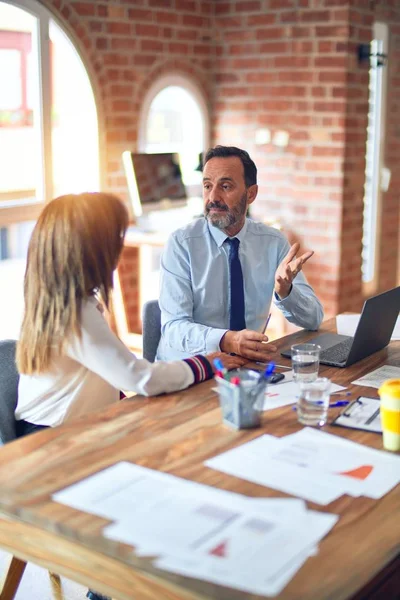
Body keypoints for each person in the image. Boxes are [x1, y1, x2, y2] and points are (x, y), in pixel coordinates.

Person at [15, 192, 244, 434]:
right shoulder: (75, 313)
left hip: (68, 425)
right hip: (55, 437)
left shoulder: (57, 301)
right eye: (115, 238)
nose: (120, 247)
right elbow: (137, 377)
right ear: (91, 247)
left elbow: (107, 374)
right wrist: (205, 364)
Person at [156, 145, 324, 362]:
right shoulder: (181, 244)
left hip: (244, 368)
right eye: (207, 186)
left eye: (225, 186)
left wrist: (286, 291)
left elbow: (314, 319)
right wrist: (228, 340)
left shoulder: (273, 242)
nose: (213, 197)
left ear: (251, 194)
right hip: (188, 371)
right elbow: (173, 329)